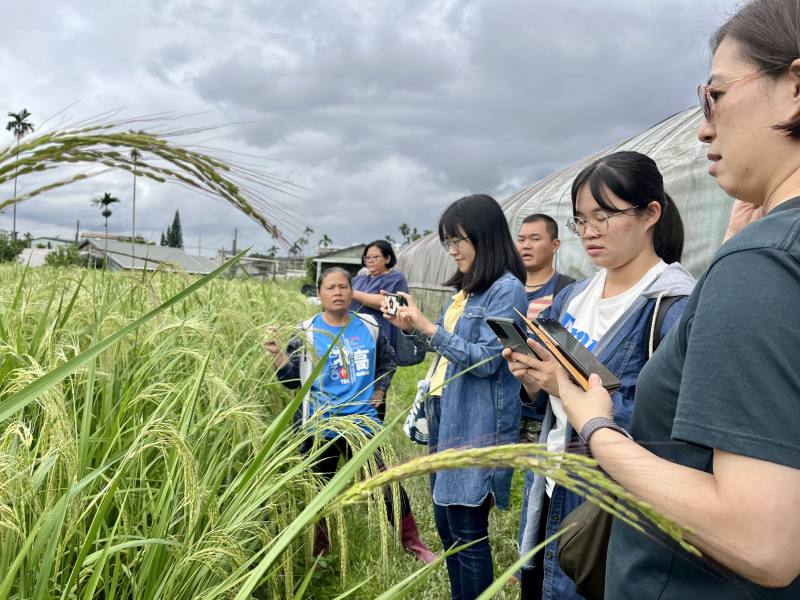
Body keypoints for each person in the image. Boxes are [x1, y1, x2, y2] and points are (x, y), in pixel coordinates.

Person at [549, 1, 800, 597]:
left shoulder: (760, 264)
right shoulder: (762, 257)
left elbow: (763, 541)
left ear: (794, 88)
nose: (703, 125)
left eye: (713, 95)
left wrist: (598, 429)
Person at [504, 151, 695, 599]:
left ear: (651, 214)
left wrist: (564, 389)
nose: (589, 231)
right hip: (550, 487)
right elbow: (547, 403)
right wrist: (532, 381)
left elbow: (668, 429)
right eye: (580, 220)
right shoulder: (572, 298)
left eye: (604, 216)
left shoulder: (672, 309)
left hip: (606, 506)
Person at [383, 194, 528, 600]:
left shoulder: (507, 291)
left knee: (467, 530)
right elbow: (446, 350)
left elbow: (487, 361)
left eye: (458, 240)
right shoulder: (466, 291)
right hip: (444, 410)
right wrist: (411, 325)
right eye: (448, 243)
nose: (453, 251)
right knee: (447, 525)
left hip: (475, 419)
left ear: (485, 236)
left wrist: (430, 328)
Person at [265, 267, 435, 563]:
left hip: (361, 423)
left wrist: (380, 391)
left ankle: (412, 542)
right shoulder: (306, 332)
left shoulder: (369, 326)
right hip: (320, 425)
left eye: (343, 286)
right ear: (319, 294)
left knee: (386, 484)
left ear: (351, 290)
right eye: (330, 287)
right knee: (317, 489)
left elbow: (388, 361)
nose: (338, 292)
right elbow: (294, 380)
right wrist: (277, 354)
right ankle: (321, 548)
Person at [515, 214, 575, 443]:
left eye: (535, 238)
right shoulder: (506, 289)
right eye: (521, 239)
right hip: (507, 401)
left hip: (547, 408)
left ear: (555, 245)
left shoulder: (567, 291)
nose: (526, 245)